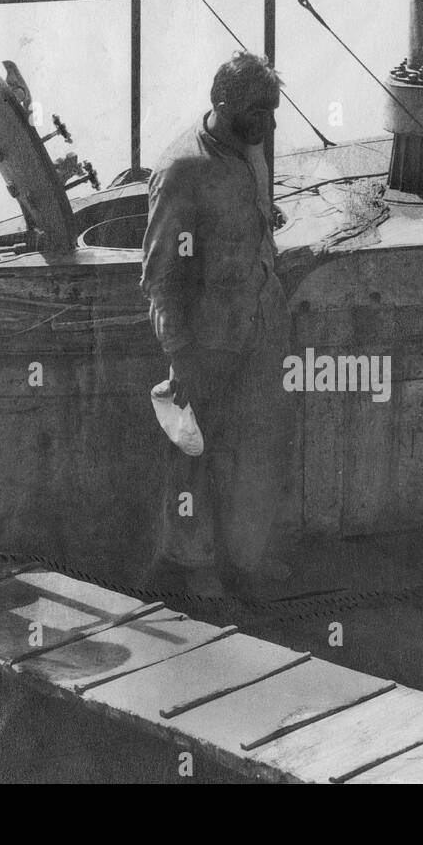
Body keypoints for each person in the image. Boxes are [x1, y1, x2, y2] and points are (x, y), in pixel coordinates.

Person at [141, 52, 292, 598]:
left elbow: (247, 216)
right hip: (207, 341)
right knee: (194, 457)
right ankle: (190, 570)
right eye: (259, 112)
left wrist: (260, 220)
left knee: (251, 448)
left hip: (258, 324)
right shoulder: (183, 170)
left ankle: (243, 564)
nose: (269, 125)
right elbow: (161, 277)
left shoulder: (250, 146)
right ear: (221, 104)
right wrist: (181, 356)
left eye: (274, 111)